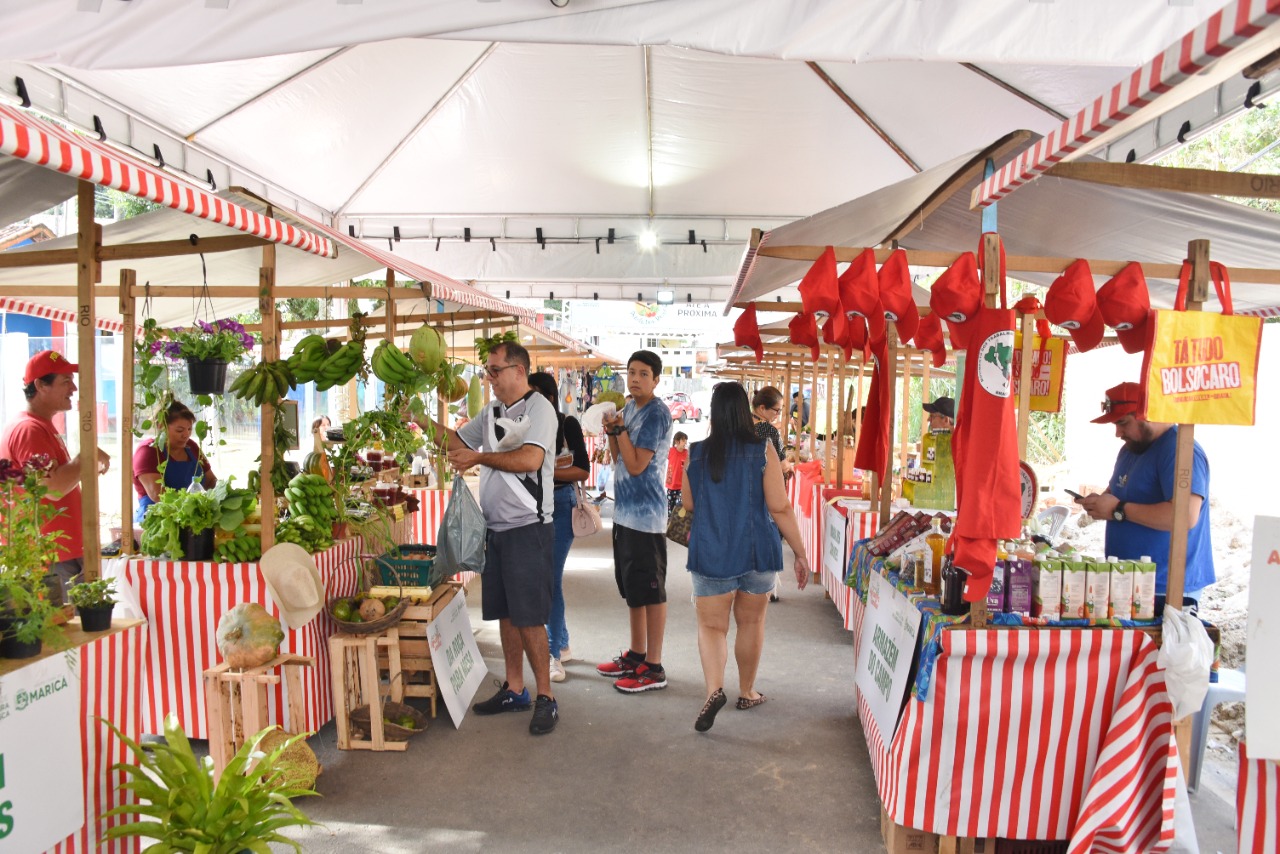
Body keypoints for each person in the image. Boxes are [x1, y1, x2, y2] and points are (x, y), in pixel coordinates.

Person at [410, 341, 560, 735]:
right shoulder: (491, 411)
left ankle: (546, 695)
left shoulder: (539, 409)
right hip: (496, 529)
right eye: (487, 371)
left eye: (495, 370)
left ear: (519, 371)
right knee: (507, 614)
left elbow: (530, 459)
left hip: (529, 528)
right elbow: (460, 442)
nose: (489, 378)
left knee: (530, 618)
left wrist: (478, 458)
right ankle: (515, 688)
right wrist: (423, 422)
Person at [680, 382, 810, 732]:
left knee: (712, 627)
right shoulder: (763, 449)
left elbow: (688, 504)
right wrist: (800, 553)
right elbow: (779, 506)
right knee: (751, 624)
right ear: (744, 409)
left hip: (712, 549)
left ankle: (713, 691)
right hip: (757, 550)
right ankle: (748, 690)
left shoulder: (696, 452)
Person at [1078, 382, 1215, 611]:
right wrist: (1101, 503)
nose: (1118, 433)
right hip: (1129, 581)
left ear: (1147, 414)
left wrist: (1117, 510)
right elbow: (1118, 492)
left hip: (1165, 588)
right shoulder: (1132, 448)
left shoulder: (1179, 449)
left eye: (1123, 423)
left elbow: (1184, 516)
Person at [0, 350, 111, 601]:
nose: (73, 388)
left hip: (59, 554)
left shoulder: (38, 426)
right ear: (40, 385)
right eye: (65, 381)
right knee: (65, 634)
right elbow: (52, 487)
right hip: (50, 558)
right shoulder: (29, 429)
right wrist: (87, 457)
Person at [596, 351, 674, 693]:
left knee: (652, 592)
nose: (636, 379)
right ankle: (637, 653)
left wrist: (622, 430)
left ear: (656, 380)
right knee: (633, 589)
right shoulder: (628, 409)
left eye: (644, 374)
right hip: (625, 514)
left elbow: (638, 463)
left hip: (647, 519)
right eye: (631, 372)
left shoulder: (657, 413)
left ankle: (653, 667)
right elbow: (618, 461)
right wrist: (612, 432)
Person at [527, 371, 590, 684]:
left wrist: (547, 474)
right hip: (528, 509)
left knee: (549, 579)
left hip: (561, 507)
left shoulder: (567, 425)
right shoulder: (524, 426)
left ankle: (553, 655)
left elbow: (583, 470)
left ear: (550, 397)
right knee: (546, 579)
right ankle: (562, 641)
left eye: (534, 395)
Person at [133, 401, 218, 522]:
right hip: (157, 520)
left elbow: (211, 479)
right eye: (179, 430)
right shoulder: (148, 452)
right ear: (161, 426)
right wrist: (194, 504)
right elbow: (157, 494)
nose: (186, 435)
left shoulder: (192, 447)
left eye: (189, 429)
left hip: (194, 517)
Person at [751, 386, 792, 602]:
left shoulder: (741, 425)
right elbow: (783, 464)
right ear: (762, 408)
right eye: (776, 410)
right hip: (768, 491)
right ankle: (769, 589)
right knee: (769, 537)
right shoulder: (769, 432)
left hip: (744, 492)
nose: (778, 415)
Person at [666, 431, 689, 514]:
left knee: (679, 507)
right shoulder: (671, 451)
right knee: (670, 507)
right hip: (671, 485)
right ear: (676, 441)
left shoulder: (686, 453)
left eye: (685, 441)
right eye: (683, 440)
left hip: (681, 486)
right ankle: (670, 523)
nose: (685, 443)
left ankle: (678, 523)